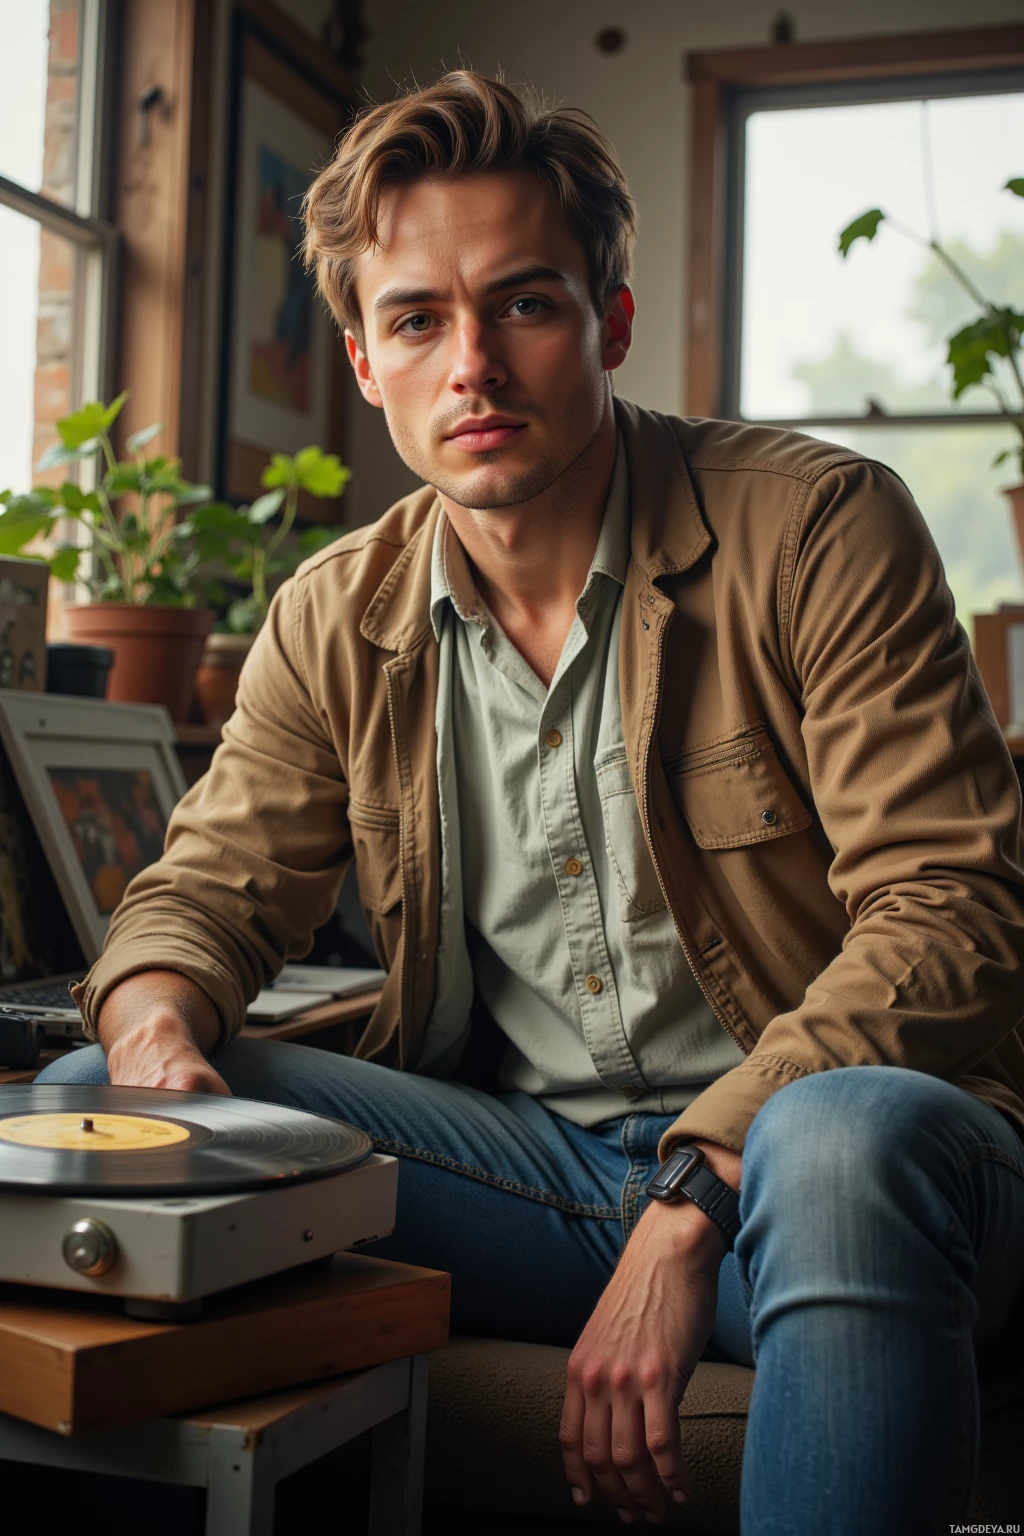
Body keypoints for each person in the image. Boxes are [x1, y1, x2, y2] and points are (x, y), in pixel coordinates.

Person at [39, 71, 1024, 1532]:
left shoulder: (816, 524)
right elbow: (208, 886)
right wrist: (158, 1022)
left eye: (527, 305)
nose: (473, 369)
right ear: (367, 362)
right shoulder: (333, 613)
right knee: (89, 1112)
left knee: (838, 1141)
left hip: (832, 1169)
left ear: (610, 325)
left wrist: (695, 1202)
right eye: (419, 320)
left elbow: (949, 907)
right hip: (537, 1179)